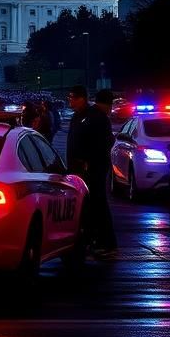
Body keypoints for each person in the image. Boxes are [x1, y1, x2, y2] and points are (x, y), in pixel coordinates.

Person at [65, 85, 118, 254]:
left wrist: (88, 160)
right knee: (89, 206)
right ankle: (92, 240)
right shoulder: (81, 117)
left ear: (82, 98)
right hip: (83, 169)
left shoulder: (94, 117)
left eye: (72, 97)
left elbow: (103, 143)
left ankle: (106, 242)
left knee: (97, 204)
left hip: (92, 170)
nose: (70, 100)